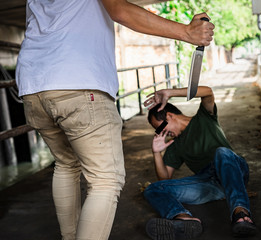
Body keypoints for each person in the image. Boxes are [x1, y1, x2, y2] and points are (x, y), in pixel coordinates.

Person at [15, 1, 214, 240]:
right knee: (105, 182)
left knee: (66, 165)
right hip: (77, 79)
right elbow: (119, 9)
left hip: (32, 85)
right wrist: (186, 32)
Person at [143, 86, 257, 240]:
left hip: (233, 171)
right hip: (209, 184)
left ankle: (241, 214)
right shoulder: (175, 145)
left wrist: (170, 93)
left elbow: (207, 92)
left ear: (169, 116)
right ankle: (183, 219)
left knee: (221, 152)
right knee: (153, 189)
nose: (162, 133)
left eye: (161, 127)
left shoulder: (204, 117)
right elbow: (165, 180)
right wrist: (156, 153)